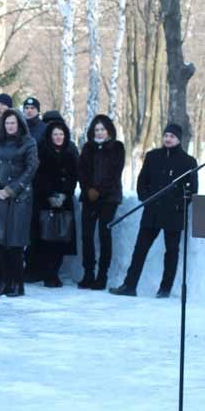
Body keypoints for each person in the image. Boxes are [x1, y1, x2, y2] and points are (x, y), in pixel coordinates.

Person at [110, 124, 196, 298]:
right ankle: (129, 285)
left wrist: (179, 205)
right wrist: (146, 198)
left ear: (179, 139)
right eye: (166, 135)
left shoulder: (188, 161)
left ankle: (165, 289)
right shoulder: (152, 157)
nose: (168, 139)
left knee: (171, 251)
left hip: (173, 214)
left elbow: (192, 189)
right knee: (140, 249)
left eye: (172, 136)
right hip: (153, 211)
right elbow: (142, 182)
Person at [0, 109, 39, 297]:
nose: (10, 126)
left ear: (19, 124)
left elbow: (31, 168)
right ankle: (4, 282)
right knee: (0, 242)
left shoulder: (28, 142)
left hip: (20, 197)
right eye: (7, 123)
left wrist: (12, 190)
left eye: (13, 123)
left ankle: (17, 283)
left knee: (15, 243)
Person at [77, 114, 125, 290]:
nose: (99, 132)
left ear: (109, 131)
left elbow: (114, 173)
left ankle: (102, 275)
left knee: (104, 236)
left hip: (108, 198)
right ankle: (88, 273)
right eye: (96, 130)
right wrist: (88, 188)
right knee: (87, 236)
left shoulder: (117, 147)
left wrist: (99, 190)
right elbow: (81, 170)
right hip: (89, 198)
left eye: (102, 129)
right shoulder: (88, 147)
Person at [32, 117, 79, 287]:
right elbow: (38, 176)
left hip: (64, 201)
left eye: (61, 134)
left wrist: (65, 194)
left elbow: (74, 175)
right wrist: (50, 195)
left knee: (61, 238)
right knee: (45, 239)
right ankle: (47, 273)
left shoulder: (70, 152)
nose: (58, 137)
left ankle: (55, 272)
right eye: (55, 134)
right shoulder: (42, 152)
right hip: (45, 201)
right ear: (50, 136)